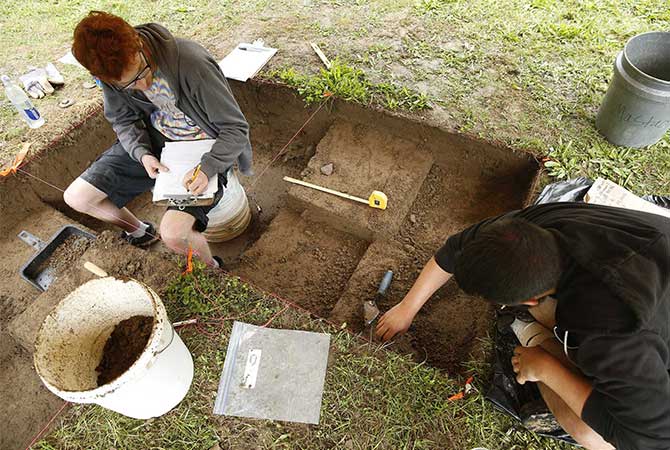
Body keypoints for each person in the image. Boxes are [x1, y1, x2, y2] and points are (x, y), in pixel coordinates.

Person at [376, 202, 670, 450]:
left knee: (589, 435)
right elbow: (456, 248)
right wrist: (407, 307)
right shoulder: (540, 224)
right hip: (651, 266)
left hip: (651, 377)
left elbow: (645, 438)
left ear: (529, 299)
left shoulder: (610, 336)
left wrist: (546, 368)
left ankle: (538, 342)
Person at [63, 11, 252, 267]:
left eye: (141, 73)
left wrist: (207, 169)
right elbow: (123, 121)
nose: (141, 86)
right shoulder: (112, 75)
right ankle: (140, 232)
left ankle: (213, 270)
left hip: (205, 144)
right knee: (77, 198)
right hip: (157, 141)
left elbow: (235, 128)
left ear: (138, 43)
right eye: (128, 85)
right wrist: (142, 153)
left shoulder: (190, 62)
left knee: (174, 235)